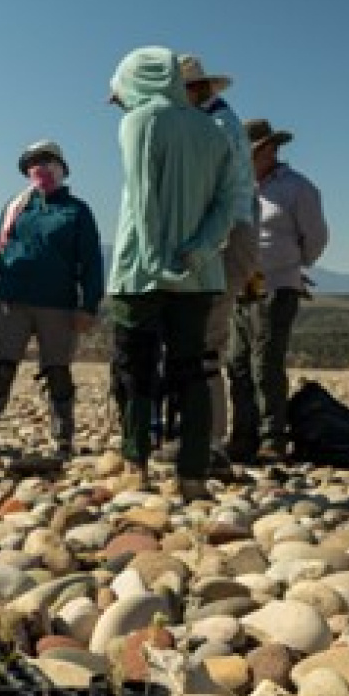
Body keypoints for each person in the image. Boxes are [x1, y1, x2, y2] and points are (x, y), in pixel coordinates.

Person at [107, 46, 240, 502]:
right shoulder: (216, 130)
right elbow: (232, 200)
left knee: (135, 368)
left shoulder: (140, 122)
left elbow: (143, 196)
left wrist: (156, 257)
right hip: (200, 274)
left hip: (140, 272)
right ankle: (193, 474)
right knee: (194, 369)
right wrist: (200, 249)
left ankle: (135, 463)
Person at [0, 140, 104, 459]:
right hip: (10, 300)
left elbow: (92, 263)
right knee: (0, 367)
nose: (40, 167)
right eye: (33, 162)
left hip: (58, 304)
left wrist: (89, 305)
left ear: (61, 167)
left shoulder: (77, 211)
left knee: (57, 371)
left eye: (46, 160)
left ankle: (63, 438)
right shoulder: (15, 208)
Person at [227, 118, 329, 462]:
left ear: (270, 150)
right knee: (236, 361)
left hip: (277, 285)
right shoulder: (236, 187)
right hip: (238, 286)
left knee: (265, 360)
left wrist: (291, 265)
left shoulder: (298, 188)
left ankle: (273, 436)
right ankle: (243, 434)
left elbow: (315, 237)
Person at [178, 53, 258, 476]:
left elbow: (213, 192)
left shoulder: (214, 128)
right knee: (203, 339)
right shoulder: (222, 122)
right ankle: (201, 437)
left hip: (223, 235)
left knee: (205, 341)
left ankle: (207, 443)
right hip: (230, 233)